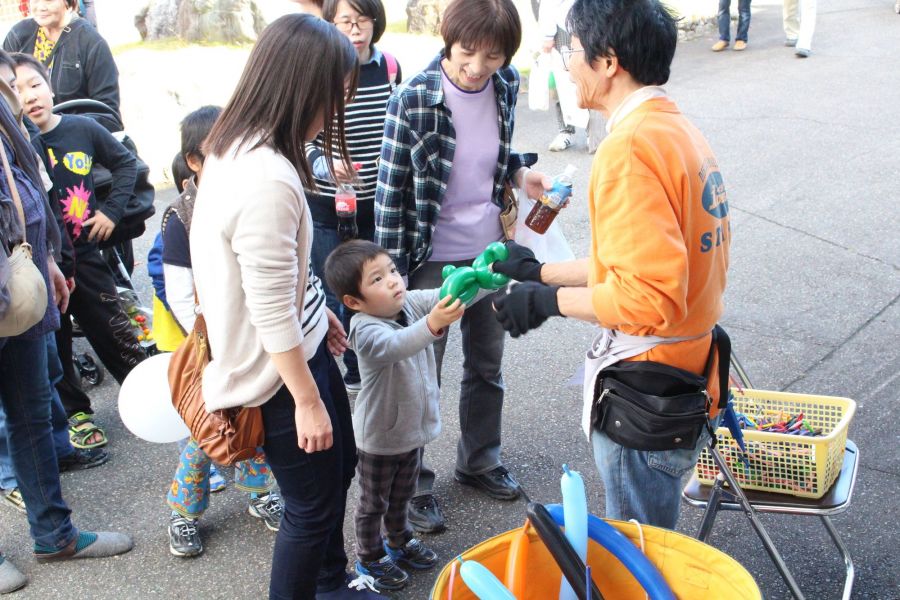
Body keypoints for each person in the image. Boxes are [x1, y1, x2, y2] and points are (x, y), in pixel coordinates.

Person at [491, 0, 731, 530]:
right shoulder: (673, 129)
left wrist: (545, 303)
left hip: (648, 384)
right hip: (685, 365)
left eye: (572, 49)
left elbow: (647, 297)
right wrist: (539, 272)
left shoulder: (629, 150)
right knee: (652, 542)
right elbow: (633, 263)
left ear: (608, 61)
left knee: (637, 553)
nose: (567, 62)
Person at [189, 14, 379, 599]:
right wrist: (306, 400)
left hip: (292, 349)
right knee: (309, 509)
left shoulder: (234, 144)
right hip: (276, 378)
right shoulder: (267, 176)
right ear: (304, 89)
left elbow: (273, 278)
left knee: (335, 472)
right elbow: (269, 308)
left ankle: (330, 582)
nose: (337, 106)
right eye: (335, 92)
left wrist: (317, 309)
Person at [375, 0, 552, 534]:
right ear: (447, 40)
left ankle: (479, 461)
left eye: (493, 56)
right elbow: (389, 193)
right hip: (429, 262)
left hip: (490, 254)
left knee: (487, 367)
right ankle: (414, 488)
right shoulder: (413, 100)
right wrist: (389, 280)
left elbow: (495, 154)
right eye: (467, 52)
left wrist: (522, 175)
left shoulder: (505, 86)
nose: (477, 67)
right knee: (419, 376)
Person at [0, 63, 131, 595]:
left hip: (20, 282)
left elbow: (29, 183)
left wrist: (47, 256)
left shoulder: (5, 110)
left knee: (33, 417)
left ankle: (55, 535)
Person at [148, 105, 284, 558]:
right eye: (217, 153)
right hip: (210, 344)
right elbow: (180, 291)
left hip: (251, 337)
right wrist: (213, 345)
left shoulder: (241, 197)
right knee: (209, 427)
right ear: (193, 161)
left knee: (248, 420)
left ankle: (260, 491)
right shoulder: (180, 216)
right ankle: (183, 514)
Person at [12, 52, 146, 449]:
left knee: (112, 326)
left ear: (50, 85)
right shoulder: (17, 146)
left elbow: (125, 165)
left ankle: (145, 390)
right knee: (57, 343)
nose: (29, 96)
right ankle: (77, 413)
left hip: (85, 253)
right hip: (39, 261)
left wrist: (110, 212)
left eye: (35, 85)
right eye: (16, 90)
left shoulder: (82, 128)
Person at [325, 240, 459, 591]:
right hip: (380, 437)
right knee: (373, 502)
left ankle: (399, 540)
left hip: (412, 431)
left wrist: (477, 280)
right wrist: (433, 324)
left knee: (403, 495)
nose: (393, 281)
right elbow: (398, 345)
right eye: (377, 279)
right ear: (353, 302)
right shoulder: (364, 329)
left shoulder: (410, 304)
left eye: (393, 271)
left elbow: (447, 295)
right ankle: (370, 556)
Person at [308, 0, 402, 394]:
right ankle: (353, 368)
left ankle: (379, 358)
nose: (356, 28)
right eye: (346, 20)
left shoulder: (390, 68)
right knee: (338, 287)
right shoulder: (318, 72)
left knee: (379, 283)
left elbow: (400, 125)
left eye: (364, 20)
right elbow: (300, 140)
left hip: (378, 203)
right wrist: (327, 167)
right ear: (330, 23)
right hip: (328, 205)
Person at [4, 0, 121, 131]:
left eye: (49, 1)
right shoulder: (18, 35)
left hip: (75, 141)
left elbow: (108, 114)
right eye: (35, 0)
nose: (41, 7)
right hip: (29, 141)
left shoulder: (91, 42)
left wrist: (65, 129)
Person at [537, 0, 589, 151]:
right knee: (563, 82)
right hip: (563, 26)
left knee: (589, 77)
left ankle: (593, 133)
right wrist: (547, 34)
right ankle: (566, 130)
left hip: (589, 21)